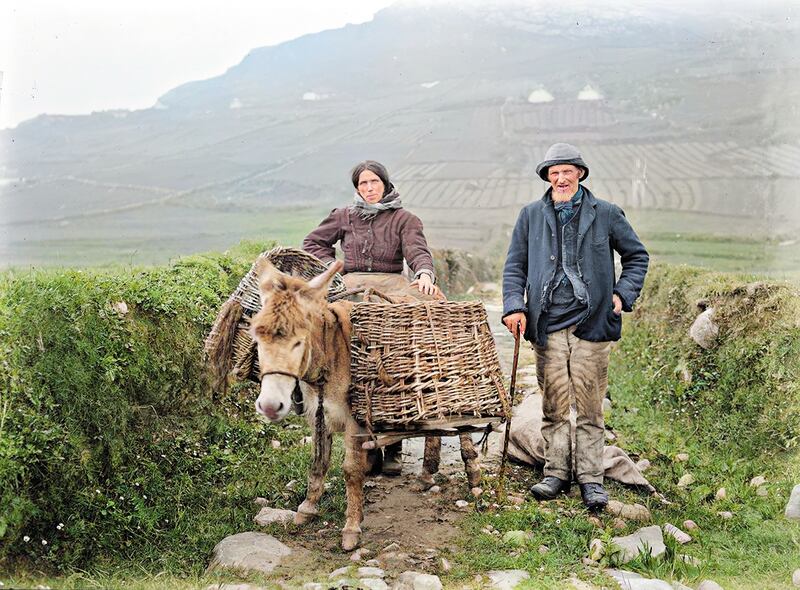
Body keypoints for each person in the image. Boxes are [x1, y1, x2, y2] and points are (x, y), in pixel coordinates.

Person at [501, 143, 649, 511]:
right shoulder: (531, 215)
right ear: (547, 178)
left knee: (589, 406)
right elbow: (514, 266)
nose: (561, 178)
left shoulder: (607, 214)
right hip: (547, 325)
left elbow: (636, 256)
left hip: (593, 324)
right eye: (554, 173)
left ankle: (591, 479)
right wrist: (514, 306)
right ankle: (555, 473)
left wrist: (622, 294)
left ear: (580, 174)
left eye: (568, 171)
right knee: (553, 404)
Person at [303, 160, 443, 475]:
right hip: (350, 288)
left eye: (374, 182)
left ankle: (392, 448)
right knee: (346, 359)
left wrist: (422, 272)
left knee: (390, 361)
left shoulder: (404, 219)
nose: (369, 188)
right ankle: (357, 439)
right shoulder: (343, 216)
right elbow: (313, 243)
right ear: (357, 188)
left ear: (385, 184)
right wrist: (332, 270)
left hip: (389, 289)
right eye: (363, 184)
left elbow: (418, 252)